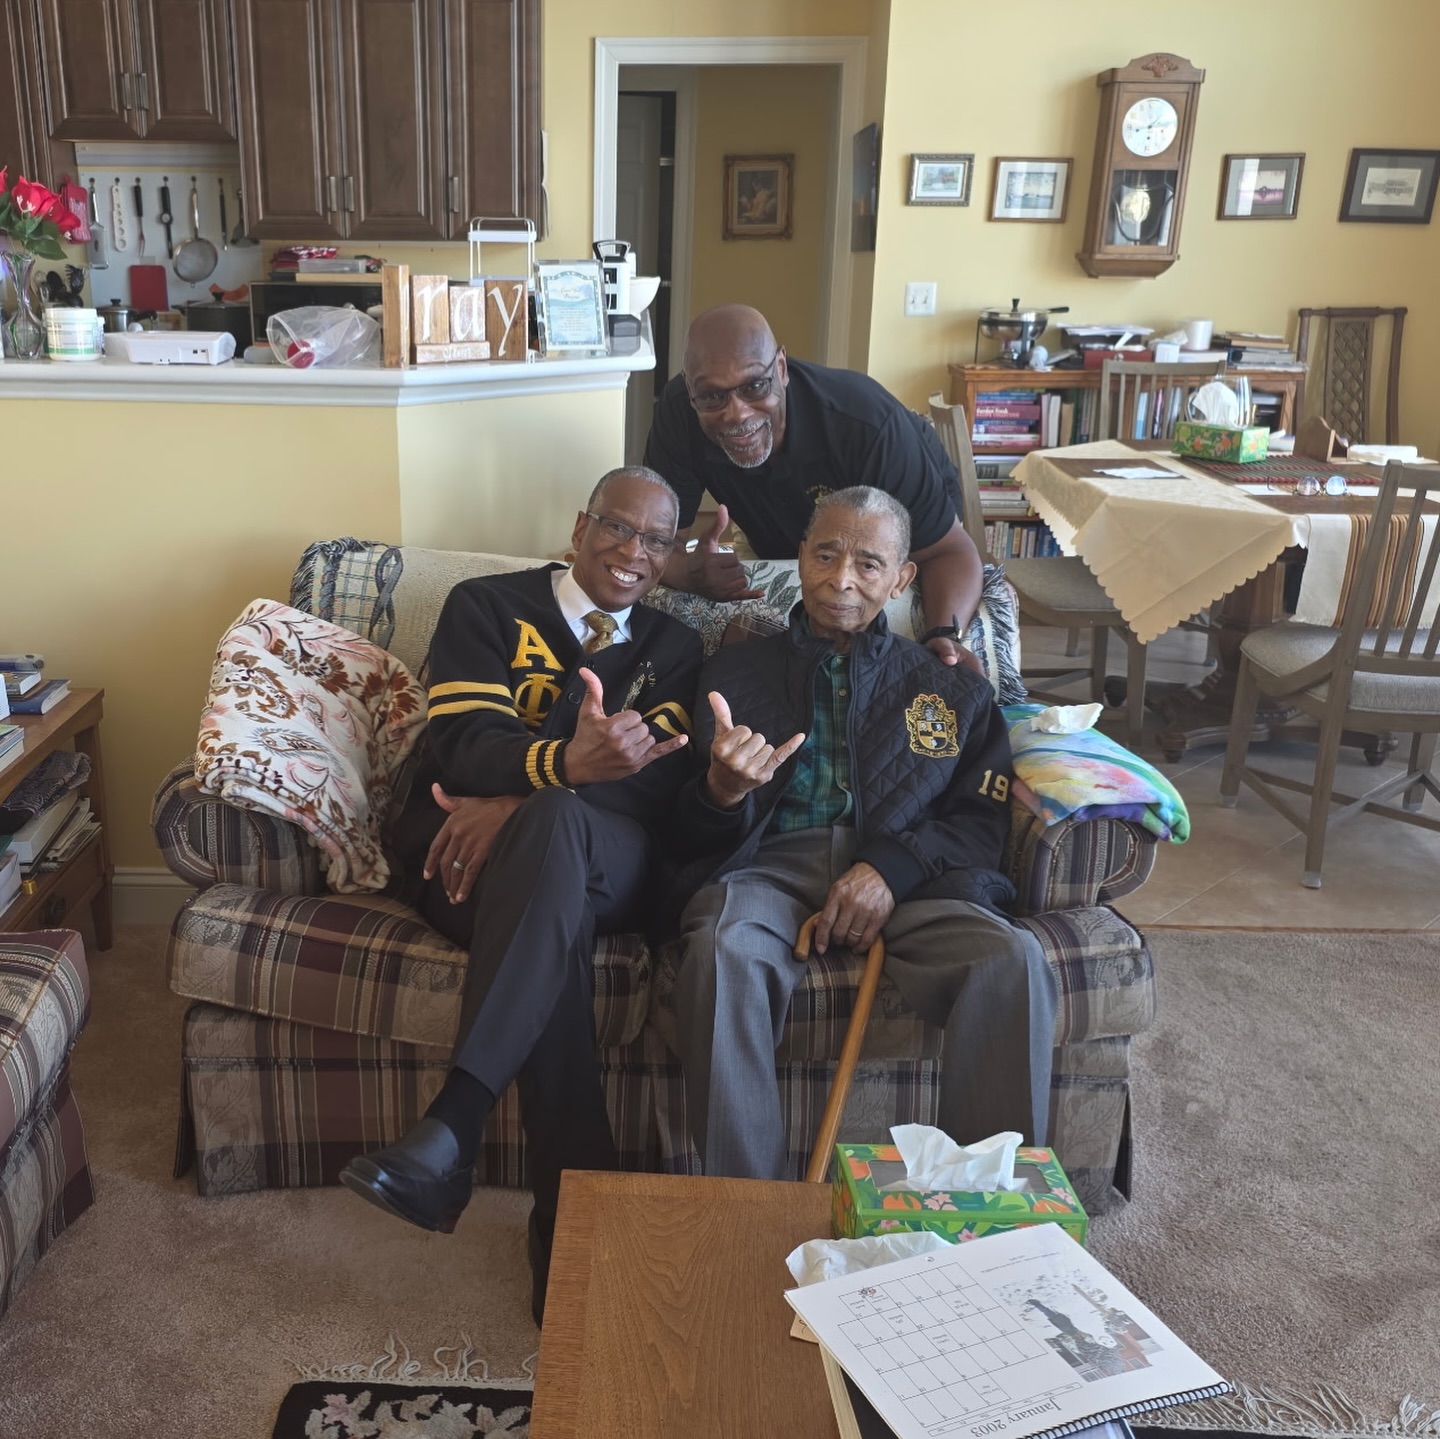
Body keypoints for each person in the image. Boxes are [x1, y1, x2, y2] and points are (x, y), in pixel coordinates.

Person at [340, 467, 702, 1326]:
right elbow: (464, 743)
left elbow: (657, 788)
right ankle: (570, 1214)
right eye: (618, 528)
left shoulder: (673, 649)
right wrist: (565, 769)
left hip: (602, 855)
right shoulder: (486, 605)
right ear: (581, 526)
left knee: (555, 831)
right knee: (552, 912)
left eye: (656, 540)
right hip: (460, 860)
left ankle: (453, 1126)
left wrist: (534, 793)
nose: (633, 552)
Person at [668, 485, 1055, 1180]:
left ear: (902, 579)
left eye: (869, 564)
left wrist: (889, 869)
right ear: (801, 558)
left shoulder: (953, 691)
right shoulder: (732, 672)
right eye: (825, 553)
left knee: (1010, 959)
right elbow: (685, 820)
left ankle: (993, 1210)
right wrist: (720, 792)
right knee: (722, 951)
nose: (841, 578)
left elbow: (978, 823)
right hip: (770, 866)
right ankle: (751, 1208)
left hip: (913, 877)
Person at [643, 303, 986, 672]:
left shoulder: (866, 426)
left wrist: (945, 635)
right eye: (712, 396)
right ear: (690, 387)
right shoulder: (680, 411)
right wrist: (687, 572)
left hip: (910, 505)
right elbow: (654, 544)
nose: (737, 414)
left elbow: (950, 552)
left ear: (781, 368)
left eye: (755, 386)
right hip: (779, 535)